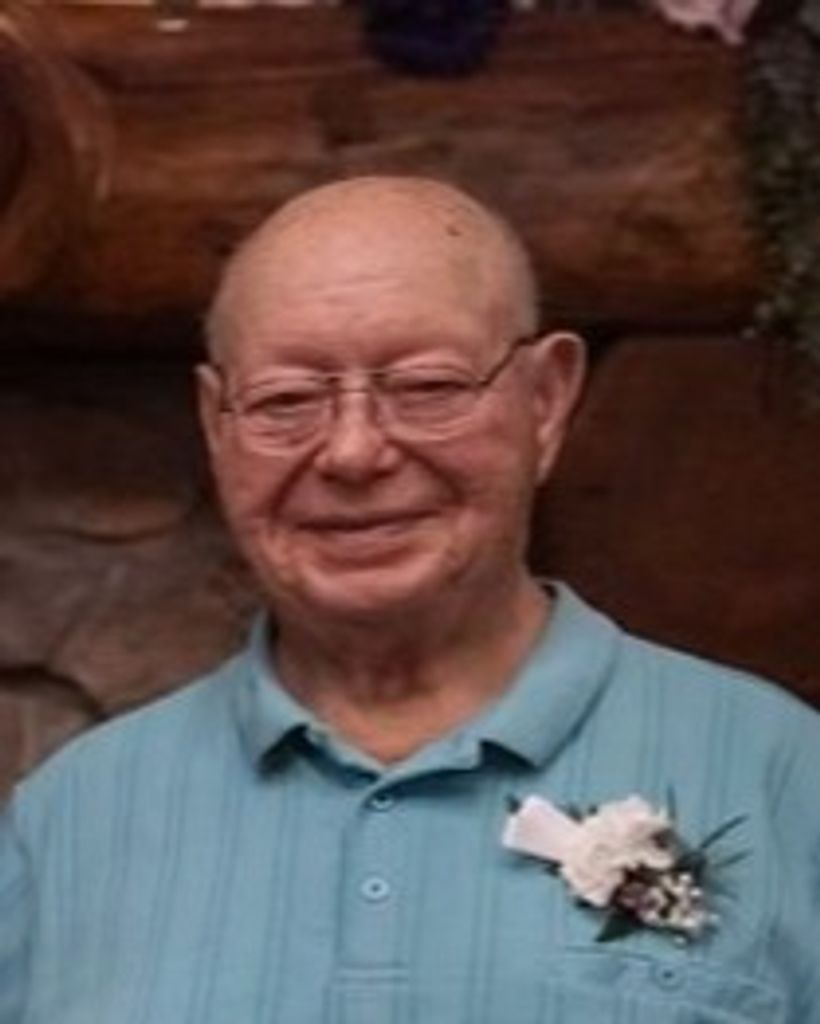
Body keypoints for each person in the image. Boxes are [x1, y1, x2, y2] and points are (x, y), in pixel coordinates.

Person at [1, 176, 819, 1024]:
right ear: (217, 424)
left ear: (545, 402)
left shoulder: (784, 780)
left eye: (427, 387)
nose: (353, 453)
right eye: (287, 400)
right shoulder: (69, 821)